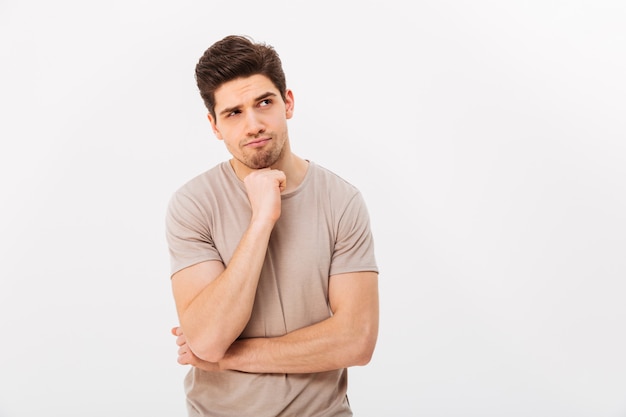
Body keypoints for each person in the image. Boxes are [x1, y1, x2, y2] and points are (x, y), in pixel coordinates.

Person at [165, 34, 379, 417]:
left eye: (264, 103)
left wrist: (228, 358)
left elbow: (356, 341)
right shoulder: (193, 204)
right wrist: (262, 219)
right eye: (234, 113)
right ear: (214, 126)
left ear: (288, 103)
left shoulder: (342, 200)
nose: (254, 125)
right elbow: (209, 339)